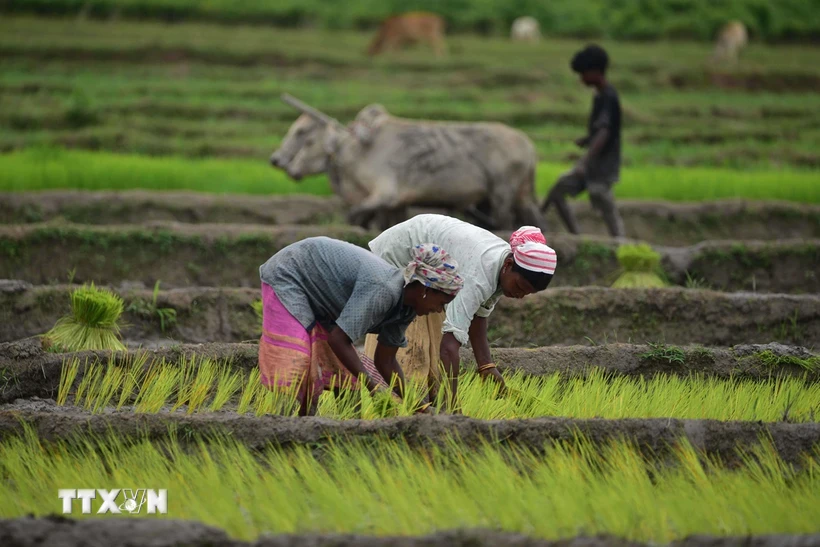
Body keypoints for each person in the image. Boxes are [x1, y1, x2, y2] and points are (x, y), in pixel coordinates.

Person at [364, 215, 556, 410]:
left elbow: (478, 315)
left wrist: (486, 366)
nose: (520, 295)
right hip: (398, 259)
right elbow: (449, 347)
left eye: (527, 293)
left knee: (434, 359)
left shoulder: (502, 269)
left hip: (432, 274)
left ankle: (431, 410)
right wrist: (454, 409)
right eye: (519, 286)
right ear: (508, 266)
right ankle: (397, 409)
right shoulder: (479, 274)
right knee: (412, 357)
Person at [258, 236, 463, 416]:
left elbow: (386, 361)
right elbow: (339, 339)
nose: (439, 310)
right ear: (424, 290)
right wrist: (374, 388)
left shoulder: (406, 309)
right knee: (296, 364)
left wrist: (419, 407)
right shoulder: (384, 290)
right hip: (291, 272)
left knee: (348, 383)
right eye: (441, 303)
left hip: (325, 301)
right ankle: (280, 427)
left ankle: (340, 435)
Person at [542, 44, 625, 238]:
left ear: (596, 72)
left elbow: (604, 132)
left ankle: (620, 241)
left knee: (602, 198)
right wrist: (587, 139)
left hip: (602, 166)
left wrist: (583, 161)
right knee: (558, 191)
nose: (581, 79)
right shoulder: (600, 97)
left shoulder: (609, 97)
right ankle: (576, 236)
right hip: (593, 163)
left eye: (583, 74)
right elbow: (602, 129)